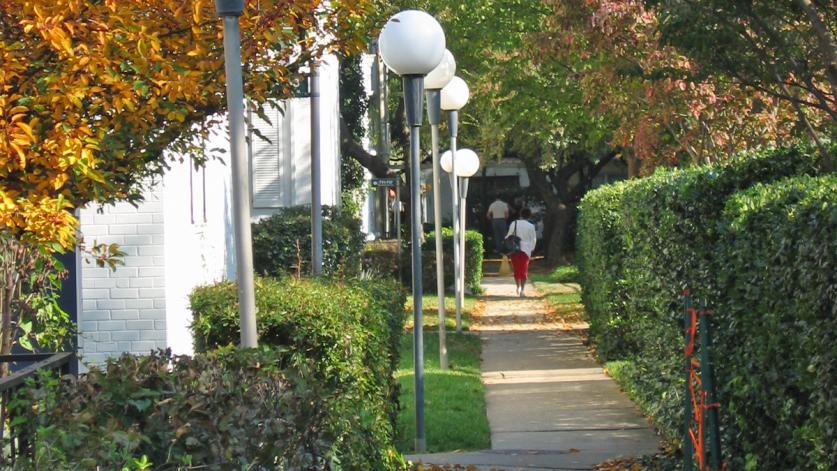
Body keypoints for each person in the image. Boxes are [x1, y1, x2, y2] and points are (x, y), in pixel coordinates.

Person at [506, 208, 537, 297]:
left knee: (516, 269)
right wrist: (532, 248)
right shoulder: (531, 226)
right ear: (529, 216)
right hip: (526, 250)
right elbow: (533, 239)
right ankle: (522, 289)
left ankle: (518, 286)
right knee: (524, 269)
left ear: (520, 214)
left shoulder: (514, 223)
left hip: (514, 249)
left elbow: (508, 235)